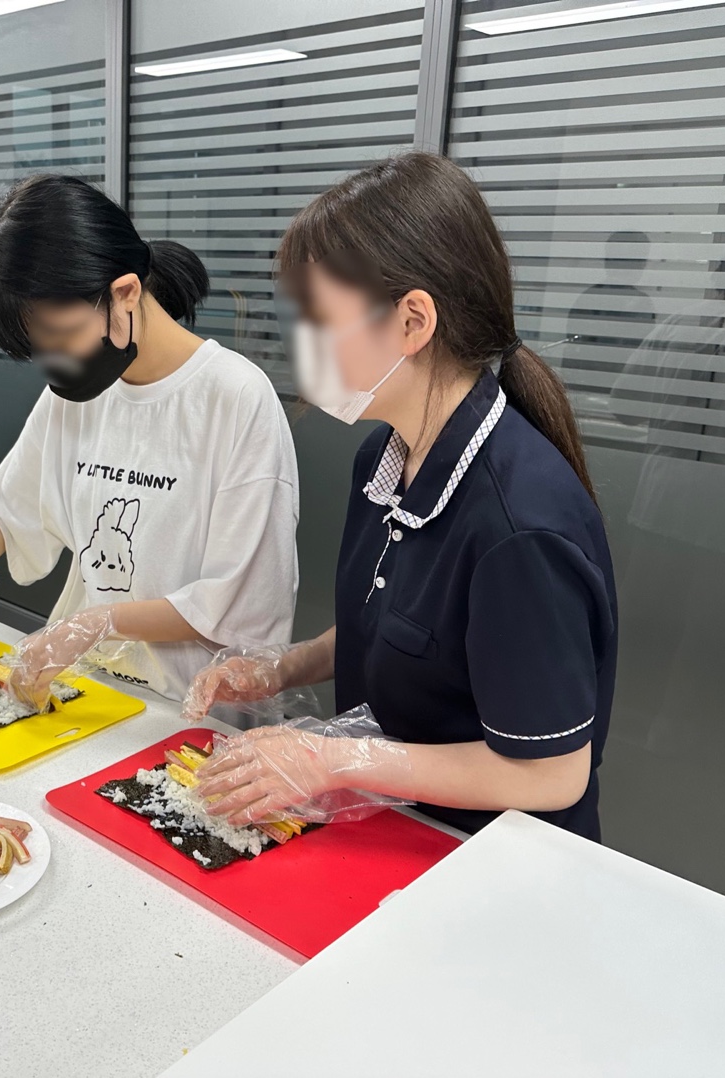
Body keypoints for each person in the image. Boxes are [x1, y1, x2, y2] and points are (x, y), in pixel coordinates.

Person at [183, 152, 618, 841]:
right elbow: (397, 626)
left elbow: (552, 772)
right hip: (397, 829)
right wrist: (280, 667)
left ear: (413, 321)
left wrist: (335, 758)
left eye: (320, 318)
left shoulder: (518, 527)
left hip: (497, 856)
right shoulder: (384, 458)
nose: (304, 345)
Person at [0, 174, 299, 706]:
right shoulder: (77, 395)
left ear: (125, 293)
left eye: (62, 336)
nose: (55, 361)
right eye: (39, 348)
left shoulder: (234, 398)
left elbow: (236, 604)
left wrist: (96, 623)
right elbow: (9, 508)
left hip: (192, 714)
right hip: (93, 694)